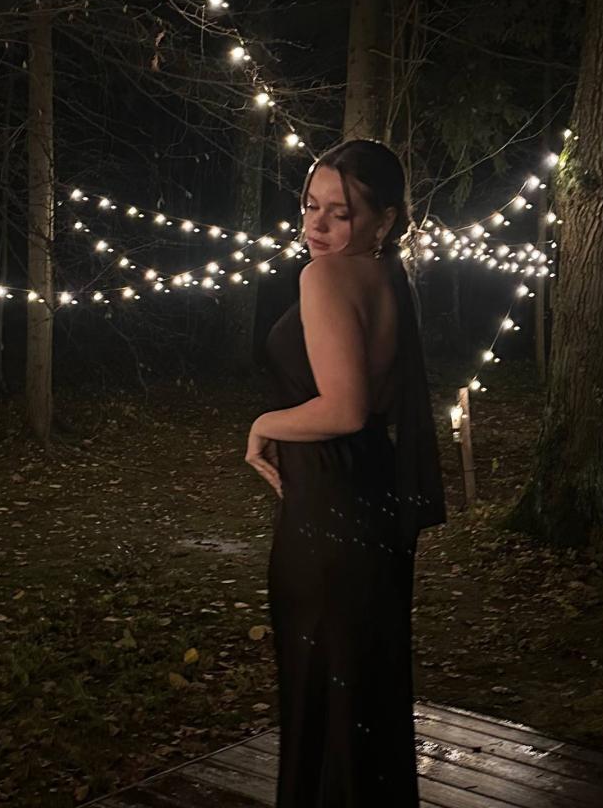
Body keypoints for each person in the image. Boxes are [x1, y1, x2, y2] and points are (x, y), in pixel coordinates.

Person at [246, 138, 446, 806]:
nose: (318, 225)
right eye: (311, 206)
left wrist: (263, 425)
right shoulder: (389, 276)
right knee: (365, 701)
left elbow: (345, 407)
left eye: (341, 212)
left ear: (385, 220)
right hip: (371, 508)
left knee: (322, 702)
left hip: (328, 517)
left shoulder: (324, 278)